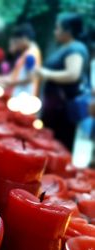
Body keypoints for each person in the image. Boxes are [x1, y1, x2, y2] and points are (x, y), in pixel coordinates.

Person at [35, 13, 89, 150]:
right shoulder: (65, 47)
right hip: (54, 107)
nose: (55, 32)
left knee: (58, 145)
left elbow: (72, 74)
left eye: (58, 28)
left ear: (68, 31)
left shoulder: (75, 48)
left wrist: (46, 73)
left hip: (62, 110)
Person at [8, 23, 42, 97]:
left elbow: (29, 78)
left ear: (23, 38)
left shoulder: (30, 55)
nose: (17, 44)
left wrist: (9, 83)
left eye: (17, 42)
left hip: (24, 97)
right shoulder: (31, 51)